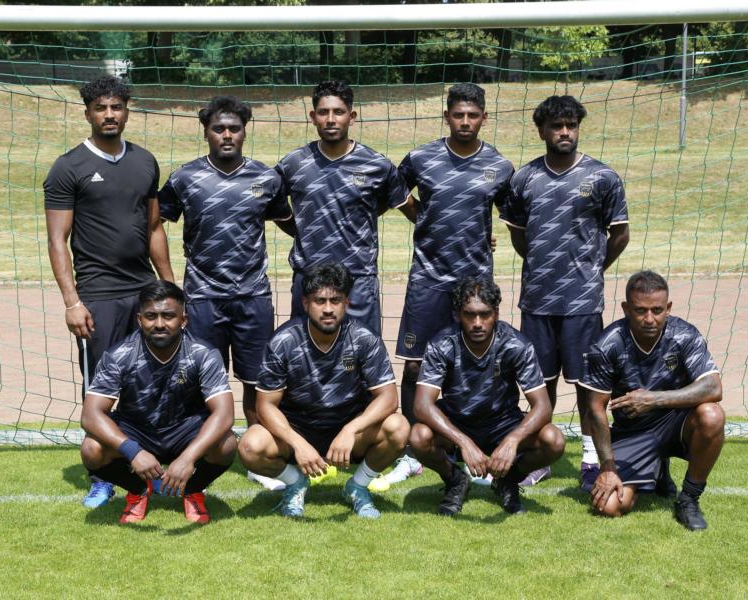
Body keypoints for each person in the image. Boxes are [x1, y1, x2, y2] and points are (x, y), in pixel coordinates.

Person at [44, 75, 174, 508]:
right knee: (102, 388)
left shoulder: (145, 161)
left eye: (116, 106)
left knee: (154, 381)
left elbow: (154, 228)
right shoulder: (68, 167)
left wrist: (169, 288)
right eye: (101, 108)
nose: (109, 114)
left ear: (127, 110)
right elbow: (57, 241)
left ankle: (153, 467)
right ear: (88, 113)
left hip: (144, 293)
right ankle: (101, 475)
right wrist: (72, 302)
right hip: (98, 296)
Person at [157, 95, 294, 492]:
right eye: (219, 129)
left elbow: (292, 224)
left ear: (245, 132)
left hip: (253, 297)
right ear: (206, 133)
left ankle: (255, 457)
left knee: (257, 382)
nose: (227, 135)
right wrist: (169, 283)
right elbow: (153, 224)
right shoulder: (185, 178)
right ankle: (201, 453)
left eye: (234, 128)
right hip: (202, 298)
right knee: (200, 382)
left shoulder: (267, 178)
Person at [384, 82, 515, 488]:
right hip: (428, 278)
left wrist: (484, 234)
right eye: (458, 115)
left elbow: (507, 213)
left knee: (477, 364)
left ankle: (472, 445)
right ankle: (411, 453)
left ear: (484, 118)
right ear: (447, 117)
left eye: (472, 115)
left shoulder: (499, 166)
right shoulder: (421, 157)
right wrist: (423, 218)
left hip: (476, 283)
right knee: (415, 364)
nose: (465, 122)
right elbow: (396, 191)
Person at [499, 95, 629, 488]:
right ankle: (540, 457)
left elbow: (620, 234)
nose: (565, 132)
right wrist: (544, 267)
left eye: (571, 125)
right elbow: (518, 236)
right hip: (537, 301)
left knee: (589, 386)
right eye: (557, 126)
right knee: (540, 385)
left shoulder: (602, 177)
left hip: (582, 303)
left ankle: (591, 460)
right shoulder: (523, 179)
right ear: (542, 131)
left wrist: (590, 269)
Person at [237, 263, 410, 519]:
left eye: (335, 300)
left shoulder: (364, 338)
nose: (328, 309)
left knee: (399, 427)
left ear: (346, 303)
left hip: (349, 431)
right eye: (320, 301)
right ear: (306, 303)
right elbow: (265, 405)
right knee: (250, 446)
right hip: (297, 429)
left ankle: (358, 486)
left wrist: (350, 430)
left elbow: (388, 398)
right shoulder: (283, 341)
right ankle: (295, 483)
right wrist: (298, 444)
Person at [79, 281, 237, 525]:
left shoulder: (203, 353)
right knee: (91, 449)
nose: (160, 324)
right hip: (137, 429)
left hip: (186, 430)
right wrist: (133, 451)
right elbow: (90, 416)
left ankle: (192, 490)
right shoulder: (119, 355)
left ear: (183, 320)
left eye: (168, 316)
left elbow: (224, 414)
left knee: (226, 445)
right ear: (140, 319)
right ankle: (139, 490)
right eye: (151, 316)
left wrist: (188, 458)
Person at [580, 270, 724, 530]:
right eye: (640, 310)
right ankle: (656, 469)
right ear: (626, 308)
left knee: (712, 415)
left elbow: (713, 387)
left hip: (676, 423)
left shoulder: (684, 335)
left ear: (668, 308)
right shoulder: (607, 345)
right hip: (633, 432)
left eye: (657, 310)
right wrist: (608, 466)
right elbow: (595, 409)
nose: (649, 319)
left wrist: (654, 399)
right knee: (610, 506)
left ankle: (688, 499)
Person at [410, 277, 564, 516]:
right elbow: (421, 405)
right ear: (458, 314)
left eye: (485, 314)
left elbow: (543, 406)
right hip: (457, 423)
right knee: (419, 436)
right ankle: (456, 481)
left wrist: (512, 440)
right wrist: (464, 442)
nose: (477, 323)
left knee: (553, 440)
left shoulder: (516, 344)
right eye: (469, 315)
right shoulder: (442, 344)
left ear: (496, 313)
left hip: (503, 424)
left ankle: (508, 481)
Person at [275, 80, 412, 337]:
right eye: (323, 112)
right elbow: (274, 207)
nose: (330, 119)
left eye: (338, 112)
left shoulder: (377, 165)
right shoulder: (293, 163)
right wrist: (299, 230)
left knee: (363, 354)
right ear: (312, 117)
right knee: (304, 354)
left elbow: (411, 208)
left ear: (352, 116)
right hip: (309, 278)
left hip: (358, 279)